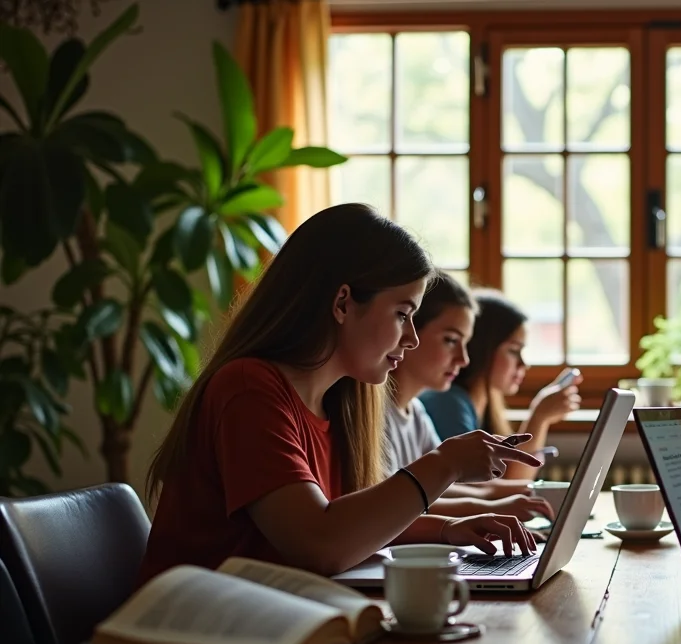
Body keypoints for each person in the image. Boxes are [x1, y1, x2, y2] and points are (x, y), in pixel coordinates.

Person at [138, 204, 539, 584]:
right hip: (195, 633)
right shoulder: (248, 389)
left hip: (267, 619)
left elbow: (350, 527)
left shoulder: (339, 402)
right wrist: (444, 463)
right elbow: (319, 543)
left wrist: (448, 529)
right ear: (343, 303)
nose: (412, 338)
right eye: (402, 314)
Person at [384, 273, 555, 523]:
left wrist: (531, 495)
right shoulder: (443, 404)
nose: (464, 359)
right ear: (408, 332)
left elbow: (440, 489)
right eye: (450, 340)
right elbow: (395, 508)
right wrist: (493, 507)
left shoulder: (417, 412)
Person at [421, 289, 582, 481]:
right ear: (483, 349)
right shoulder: (449, 404)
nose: (524, 364)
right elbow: (497, 487)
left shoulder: (481, 404)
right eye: (514, 351)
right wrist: (539, 418)